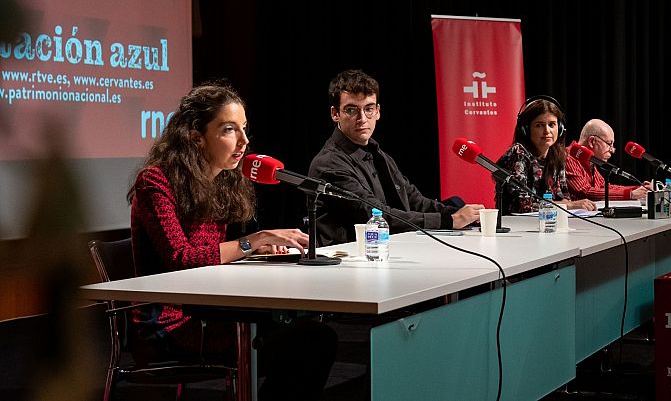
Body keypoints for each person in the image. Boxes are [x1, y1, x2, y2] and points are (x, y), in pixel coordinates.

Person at [128, 82, 336, 400]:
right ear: (196, 136)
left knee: (312, 331)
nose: (244, 141)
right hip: (170, 325)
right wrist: (253, 241)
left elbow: (209, 257)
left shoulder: (221, 182)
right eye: (229, 130)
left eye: (244, 129)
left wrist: (257, 249)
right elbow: (182, 259)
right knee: (311, 340)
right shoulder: (155, 181)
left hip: (212, 312)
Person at [308, 69, 484, 246]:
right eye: (351, 110)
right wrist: (450, 220)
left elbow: (415, 200)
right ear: (335, 113)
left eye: (368, 109)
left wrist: (461, 213)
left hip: (386, 254)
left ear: (378, 111)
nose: (362, 118)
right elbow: (377, 215)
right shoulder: (329, 164)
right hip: (348, 263)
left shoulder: (378, 154)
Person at [496, 96, 596, 214]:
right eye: (539, 125)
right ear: (526, 129)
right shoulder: (518, 154)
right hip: (516, 225)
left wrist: (568, 204)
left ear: (560, 128)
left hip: (548, 222)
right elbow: (521, 205)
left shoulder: (558, 154)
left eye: (552, 124)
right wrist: (567, 205)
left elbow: (563, 196)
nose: (547, 131)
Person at [565, 119, 652, 201]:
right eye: (609, 144)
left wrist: (638, 188)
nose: (612, 150)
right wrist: (630, 194)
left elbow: (603, 187)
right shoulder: (568, 157)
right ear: (592, 141)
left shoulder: (589, 159)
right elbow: (585, 192)